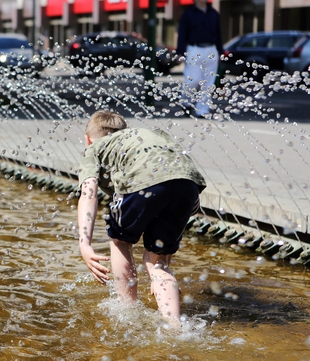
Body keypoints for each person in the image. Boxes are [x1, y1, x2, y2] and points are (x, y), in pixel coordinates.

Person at [77, 110, 207, 324]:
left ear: (88, 139)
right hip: (188, 185)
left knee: (121, 241)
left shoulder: (94, 148)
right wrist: (162, 255)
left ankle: (127, 313)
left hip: (144, 183)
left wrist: (85, 244)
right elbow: (182, 190)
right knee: (157, 262)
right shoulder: (150, 135)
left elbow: (88, 192)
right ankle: (174, 328)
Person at [176, 0, 224, 118]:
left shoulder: (214, 13)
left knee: (208, 82)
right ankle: (186, 103)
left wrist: (220, 52)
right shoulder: (188, 14)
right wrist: (180, 52)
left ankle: (202, 110)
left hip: (211, 49)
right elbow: (182, 33)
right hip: (194, 49)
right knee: (193, 80)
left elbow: (219, 34)